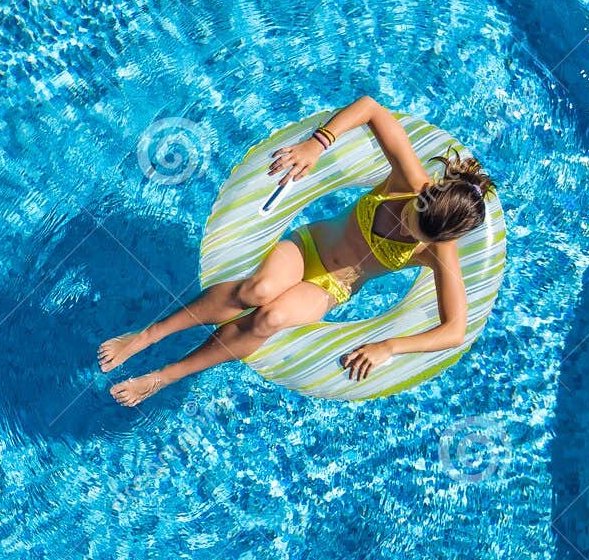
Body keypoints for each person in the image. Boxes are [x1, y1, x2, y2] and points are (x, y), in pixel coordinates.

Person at [100, 95, 494, 406]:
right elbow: (372, 108)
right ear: (429, 192)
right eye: (414, 212)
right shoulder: (411, 180)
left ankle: (166, 376)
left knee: (271, 318)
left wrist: (388, 345)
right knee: (258, 291)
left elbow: (454, 331)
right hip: (307, 249)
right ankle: (147, 335)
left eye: (420, 232)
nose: (409, 224)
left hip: (330, 289)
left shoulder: (441, 253)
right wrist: (318, 144)